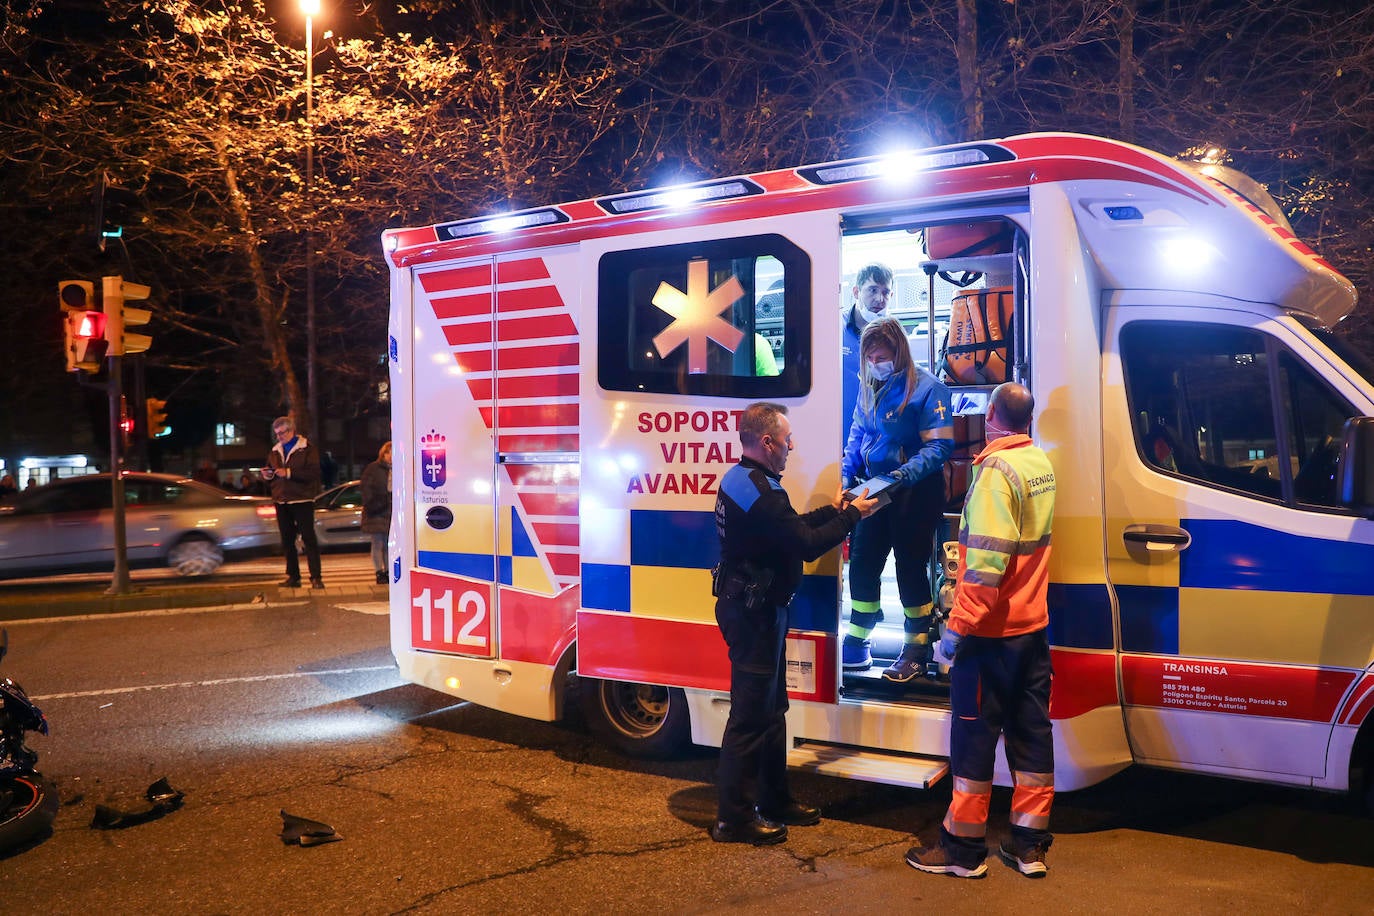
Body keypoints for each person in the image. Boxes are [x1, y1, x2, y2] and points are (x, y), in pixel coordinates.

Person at [906, 382, 1057, 879]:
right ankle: (1029, 846)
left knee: (972, 743)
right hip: (1032, 629)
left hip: (991, 636)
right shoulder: (1039, 462)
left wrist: (955, 634)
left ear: (992, 413)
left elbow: (985, 568)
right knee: (1031, 737)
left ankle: (963, 851)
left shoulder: (996, 473)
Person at [711, 402, 880, 845]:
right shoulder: (762, 493)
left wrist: (834, 510)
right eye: (787, 439)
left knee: (771, 711)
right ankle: (734, 820)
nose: (792, 446)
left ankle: (774, 800)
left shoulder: (746, 480)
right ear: (767, 443)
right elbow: (805, 545)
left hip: (758, 611)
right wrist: (854, 516)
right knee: (750, 719)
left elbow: (792, 529)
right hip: (754, 614)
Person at [838, 317, 954, 681]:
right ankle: (858, 638)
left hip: (915, 489)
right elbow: (858, 434)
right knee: (862, 561)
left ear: (898, 352)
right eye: (870, 357)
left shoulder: (928, 388)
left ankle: (916, 648)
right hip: (874, 485)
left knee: (909, 566)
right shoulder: (870, 385)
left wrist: (904, 475)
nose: (876, 363)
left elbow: (940, 446)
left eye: (881, 356)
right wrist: (844, 474)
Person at [262, 415, 324, 589]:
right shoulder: (275, 451)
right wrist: (268, 476)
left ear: (292, 430)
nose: (280, 437)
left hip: (302, 499)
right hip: (282, 500)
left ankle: (316, 577)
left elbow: (313, 473)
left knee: (308, 538)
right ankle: (293, 576)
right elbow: (273, 473)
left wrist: (288, 473)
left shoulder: (307, 449)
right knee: (287, 540)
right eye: (277, 434)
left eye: (282, 433)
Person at [841, 263, 894, 435]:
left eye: (885, 292)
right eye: (872, 290)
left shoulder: (894, 334)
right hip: (840, 426)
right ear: (856, 292)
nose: (880, 299)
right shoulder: (835, 327)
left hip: (881, 432)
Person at [360, 441, 393, 585]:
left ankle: (388, 571)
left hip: (390, 512)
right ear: (384, 454)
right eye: (389, 453)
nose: (391, 456)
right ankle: (379, 571)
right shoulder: (373, 469)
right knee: (377, 543)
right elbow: (366, 489)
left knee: (388, 544)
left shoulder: (398, 469)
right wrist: (374, 504)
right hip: (377, 511)